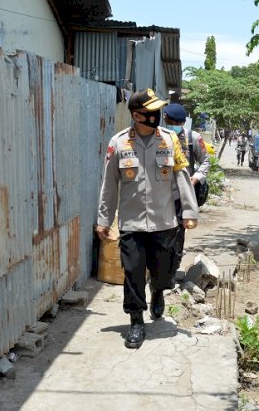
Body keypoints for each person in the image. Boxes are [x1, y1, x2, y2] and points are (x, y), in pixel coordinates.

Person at [96, 89, 199, 349]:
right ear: (137, 115)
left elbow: (181, 176)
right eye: (151, 112)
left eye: (157, 111)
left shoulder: (169, 140)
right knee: (132, 273)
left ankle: (158, 291)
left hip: (164, 221)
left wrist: (189, 211)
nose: (157, 116)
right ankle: (136, 321)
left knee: (163, 271)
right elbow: (109, 185)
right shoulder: (118, 143)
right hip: (131, 223)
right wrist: (104, 220)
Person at [162, 103, 210, 276]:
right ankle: (160, 268)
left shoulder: (193, 138)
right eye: (170, 120)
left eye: (176, 122)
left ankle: (174, 267)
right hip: (161, 192)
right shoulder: (159, 136)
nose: (172, 124)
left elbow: (205, 161)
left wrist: (195, 178)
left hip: (182, 193)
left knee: (179, 231)